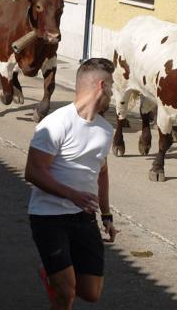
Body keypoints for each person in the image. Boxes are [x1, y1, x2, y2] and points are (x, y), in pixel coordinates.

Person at [24, 58, 119, 310]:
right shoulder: (56, 123)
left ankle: (50, 274)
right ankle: (57, 279)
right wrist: (72, 195)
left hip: (84, 217)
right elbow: (33, 172)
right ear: (102, 85)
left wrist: (107, 215)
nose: (114, 92)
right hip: (48, 217)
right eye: (112, 85)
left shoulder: (105, 130)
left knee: (90, 293)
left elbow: (102, 172)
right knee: (66, 293)